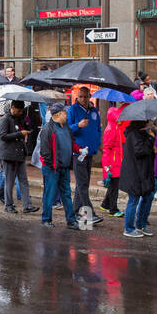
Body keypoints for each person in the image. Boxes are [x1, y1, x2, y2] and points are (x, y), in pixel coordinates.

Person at [38, 102, 79, 229]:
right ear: (58, 114)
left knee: (66, 194)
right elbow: (44, 151)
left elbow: (71, 142)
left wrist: (79, 150)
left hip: (64, 167)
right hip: (52, 168)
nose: (67, 114)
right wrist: (52, 165)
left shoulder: (65, 126)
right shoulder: (48, 129)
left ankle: (71, 220)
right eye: (65, 112)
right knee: (50, 194)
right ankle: (46, 219)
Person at [67, 87, 102, 223]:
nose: (83, 99)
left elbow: (98, 128)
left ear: (89, 96)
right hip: (79, 152)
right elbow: (68, 129)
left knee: (83, 184)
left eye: (85, 96)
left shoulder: (93, 111)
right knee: (82, 184)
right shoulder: (73, 110)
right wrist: (78, 125)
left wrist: (98, 142)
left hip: (90, 152)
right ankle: (89, 214)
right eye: (80, 96)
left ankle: (75, 212)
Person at [119, 117, 156, 238]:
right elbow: (140, 151)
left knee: (148, 196)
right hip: (135, 174)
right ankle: (129, 228)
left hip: (143, 173)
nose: (150, 122)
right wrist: (150, 138)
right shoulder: (134, 135)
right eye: (148, 120)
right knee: (133, 200)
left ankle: (141, 224)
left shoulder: (141, 134)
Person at [0, 100, 33, 213]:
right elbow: (2, 135)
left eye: (22, 110)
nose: (21, 112)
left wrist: (27, 124)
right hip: (9, 155)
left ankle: (27, 205)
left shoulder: (19, 118)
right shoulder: (5, 119)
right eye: (19, 110)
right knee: (10, 181)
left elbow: (23, 129)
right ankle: (8, 205)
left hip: (19, 153)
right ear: (12, 107)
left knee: (23, 180)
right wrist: (19, 134)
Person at [100, 104, 125, 217]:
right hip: (113, 163)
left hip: (115, 162)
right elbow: (107, 149)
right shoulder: (112, 129)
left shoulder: (114, 127)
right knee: (114, 187)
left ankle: (106, 204)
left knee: (113, 186)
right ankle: (113, 209)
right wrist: (107, 166)